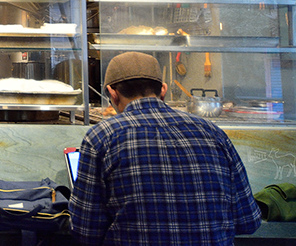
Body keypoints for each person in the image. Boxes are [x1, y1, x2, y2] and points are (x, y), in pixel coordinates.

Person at [69, 51, 261, 246]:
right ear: (163, 90)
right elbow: (248, 221)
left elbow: (86, 230)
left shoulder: (102, 137)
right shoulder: (213, 132)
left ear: (112, 94)